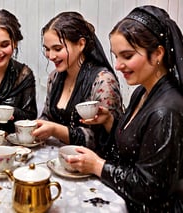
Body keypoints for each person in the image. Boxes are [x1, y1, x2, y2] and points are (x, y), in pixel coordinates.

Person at [70, 5, 183, 212]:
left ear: (158, 53)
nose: (119, 65)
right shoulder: (142, 92)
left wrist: (97, 165)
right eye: (116, 56)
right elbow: (133, 148)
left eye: (127, 56)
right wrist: (109, 122)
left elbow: (150, 188)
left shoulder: (166, 111)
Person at [33, 11, 122, 157]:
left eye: (57, 48)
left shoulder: (103, 81)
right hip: (55, 159)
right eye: (47, 49)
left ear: (81, 44)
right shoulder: (54, 77)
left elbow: (104, 140)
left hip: (90, 166)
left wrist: (55, 130)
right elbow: (47, 116)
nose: (51, 56)